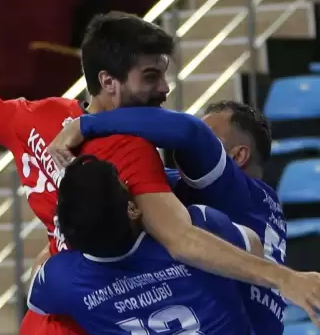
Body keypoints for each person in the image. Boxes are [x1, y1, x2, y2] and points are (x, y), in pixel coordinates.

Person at [0, 0, 320, 335]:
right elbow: (182, 240)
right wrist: (286, 280)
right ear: (108, 82)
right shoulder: (131, 150)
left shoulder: (38, 117)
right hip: (92, 313)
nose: (164, 89)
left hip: (58, 309)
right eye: (150, 77)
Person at [48, 101, 287, 334]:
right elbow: (150, 182)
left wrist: (84, 125)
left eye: (211, 138)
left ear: (238, 156)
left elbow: (188, 132)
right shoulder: (261, 201)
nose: (185, 149)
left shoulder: (231, 193)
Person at [28, 155, 263, 334]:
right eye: (124, 183)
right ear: (132, 209)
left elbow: (37, 291)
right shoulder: (199, 226)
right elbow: (254, 246)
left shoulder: (61, 278)